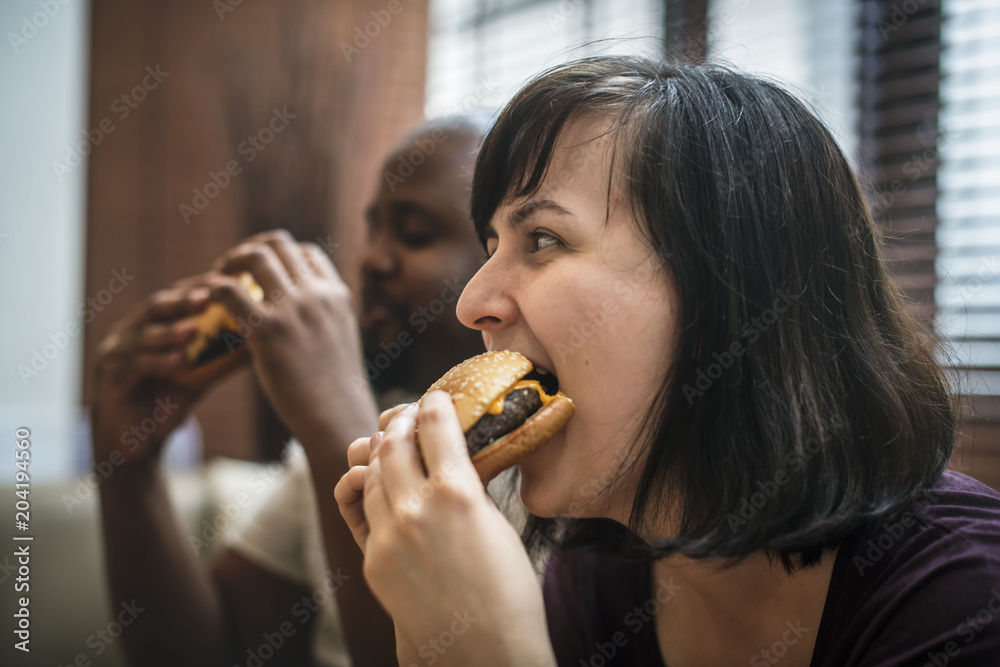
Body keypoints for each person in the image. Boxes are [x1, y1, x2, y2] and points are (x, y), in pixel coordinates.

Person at [335, 56, 1000, 666]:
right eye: (491, 244)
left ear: (731, 294)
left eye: (542, 238)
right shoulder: (604, 571)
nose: (473, 301)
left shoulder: (964, 599)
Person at [91, 116, 489, 666]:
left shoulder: (534, 474)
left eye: (414, 233)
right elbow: (214, 652)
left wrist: (334, 421)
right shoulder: (353, 430)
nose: (371, 258)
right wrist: (129, 466)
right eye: (373, 229)